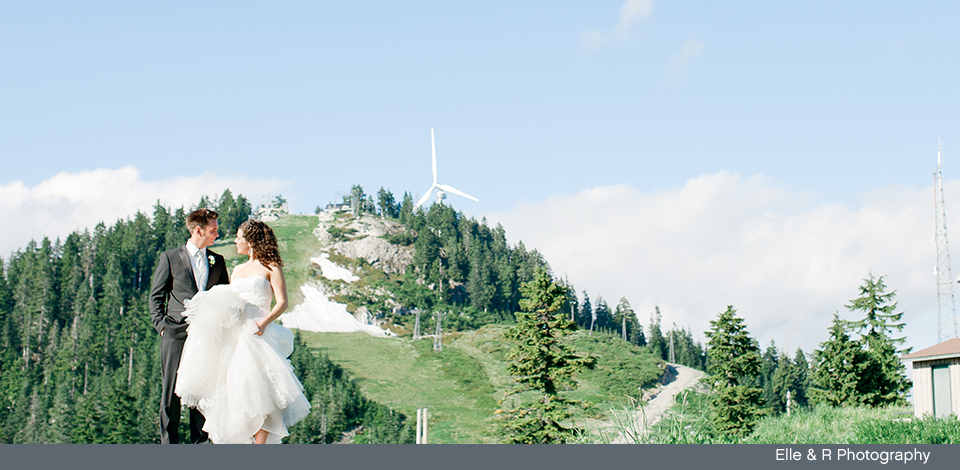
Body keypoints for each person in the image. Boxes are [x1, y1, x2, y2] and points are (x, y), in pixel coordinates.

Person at [175, 219, 310, 444]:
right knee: (235, 390)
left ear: (251, 241)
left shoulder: (271, 267)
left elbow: (282, 302)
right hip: (235, 336)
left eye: (239, 237)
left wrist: (263, 324)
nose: (236, 241)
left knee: (263, 391)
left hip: (258, 333)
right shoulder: (237, 270)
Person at [149, 208, 230, 444]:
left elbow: (224, 295)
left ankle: (202, 446)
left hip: (207, 337)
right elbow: (156, 296)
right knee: (171, 393)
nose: (217, 233)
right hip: (175, 334)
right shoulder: (170, 257)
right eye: (213, 229)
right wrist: (162, 326)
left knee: (203, 391)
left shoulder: (218, 260)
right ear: (198, 230)